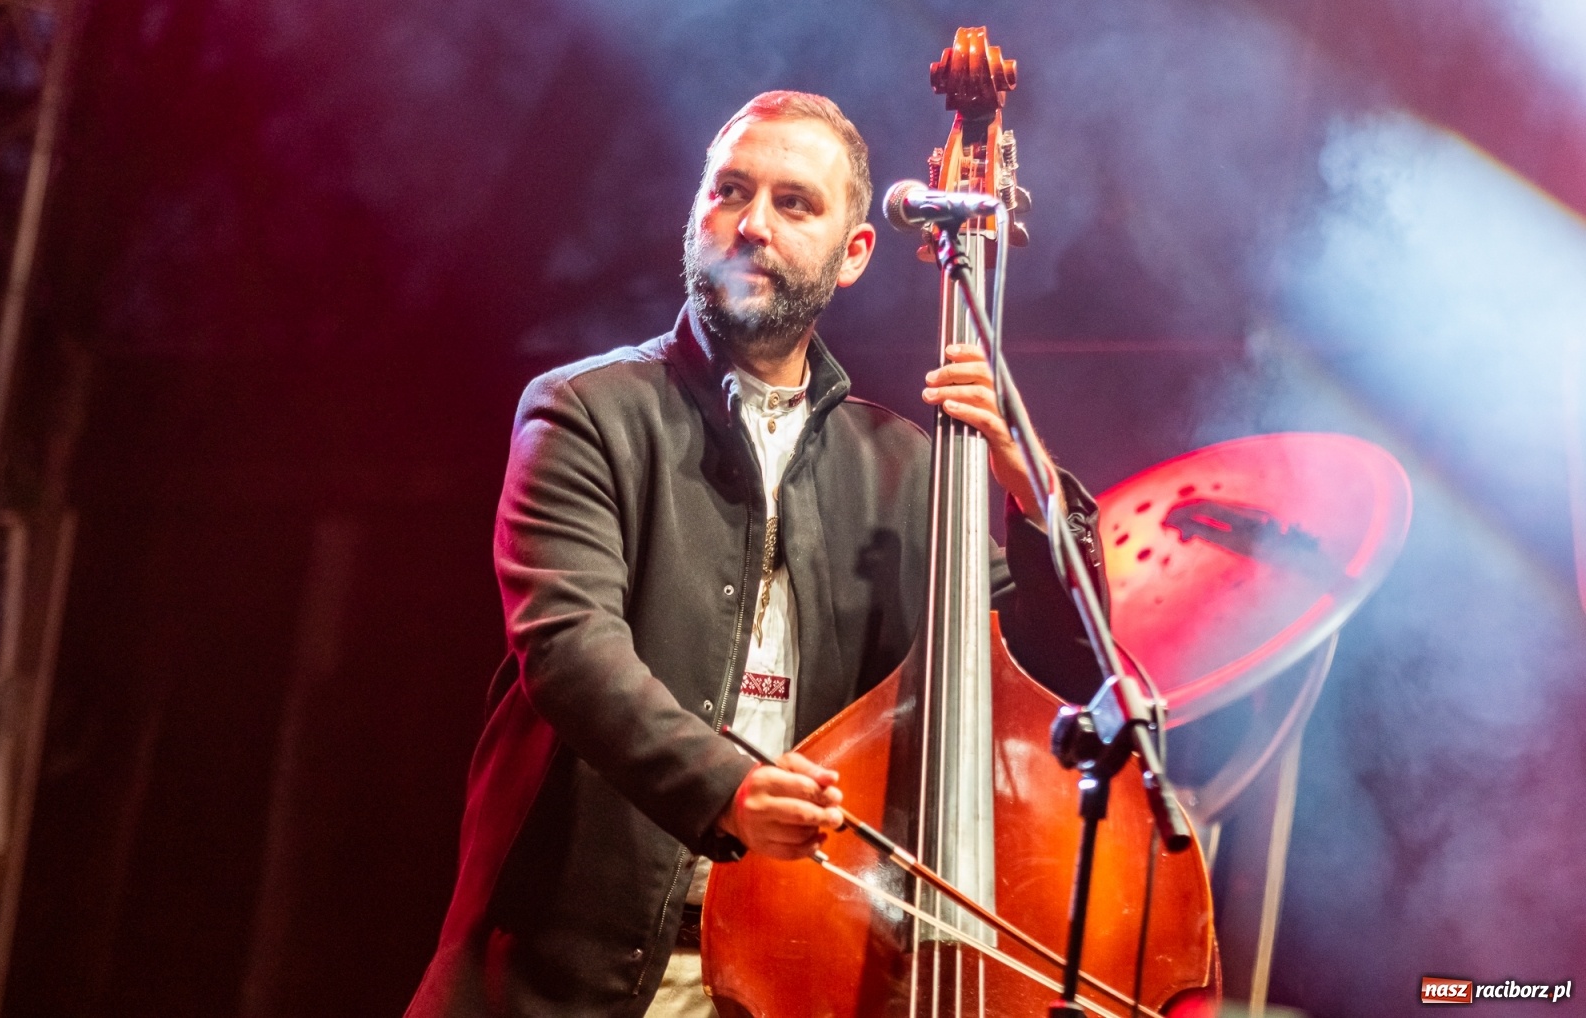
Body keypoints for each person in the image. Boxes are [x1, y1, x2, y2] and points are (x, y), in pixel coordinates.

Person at [404, 91, 1106, 1018]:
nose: (753, 225)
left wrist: (1034, 488)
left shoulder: (910, 471)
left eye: (794, 203)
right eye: (730, 192)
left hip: (799, 969)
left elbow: (1064, 674)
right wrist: (733, 791)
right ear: (696, 215)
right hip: (577, 974)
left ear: (855, 253)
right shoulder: (584, 412)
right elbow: (569, 651)